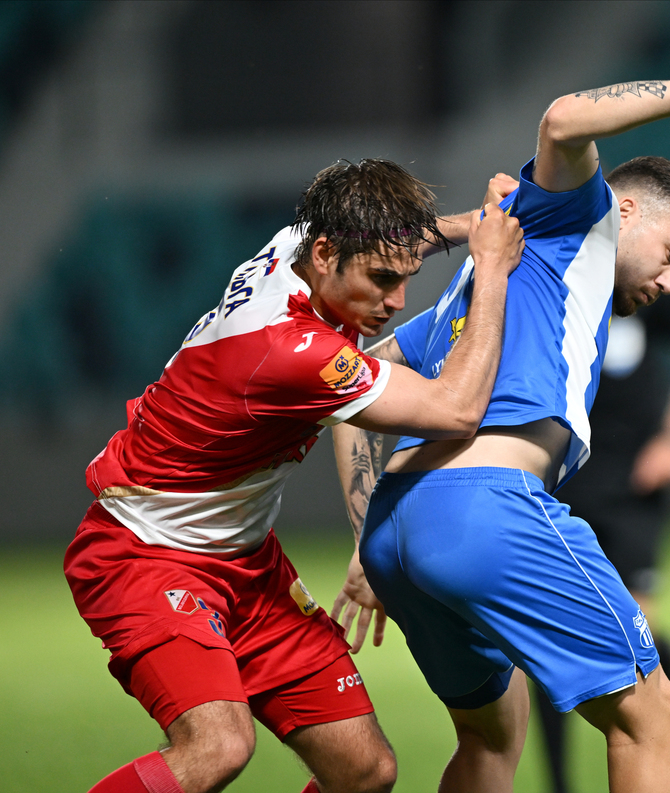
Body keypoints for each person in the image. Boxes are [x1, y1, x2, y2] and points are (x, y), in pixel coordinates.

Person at [330, 64, 670, 793]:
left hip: (395, 535)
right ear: (623, 210)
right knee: (652, 713)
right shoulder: (582, 218)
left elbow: (350, 382)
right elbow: (564, 118)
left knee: (491, 736)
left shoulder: (476, 291)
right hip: (485, 511)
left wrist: (361, 541)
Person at [66, 158, 525, 793]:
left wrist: (479, 224)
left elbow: (395, 239)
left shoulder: (299, 245)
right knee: (218, 747)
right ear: (327, 254)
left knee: (365, 773)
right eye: (382, 280)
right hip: (144, 555)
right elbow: (456, 410)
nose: (396, 302)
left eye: (405, 279)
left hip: (248, 566)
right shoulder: (290, 351)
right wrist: (493, 269)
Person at [533, 284, 670, 793]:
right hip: (554, 479)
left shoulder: (643, 281)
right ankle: (559, 784)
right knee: (546, 637)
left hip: (632, 484)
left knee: (635, 633)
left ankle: (664, 659)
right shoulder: (548, 279)